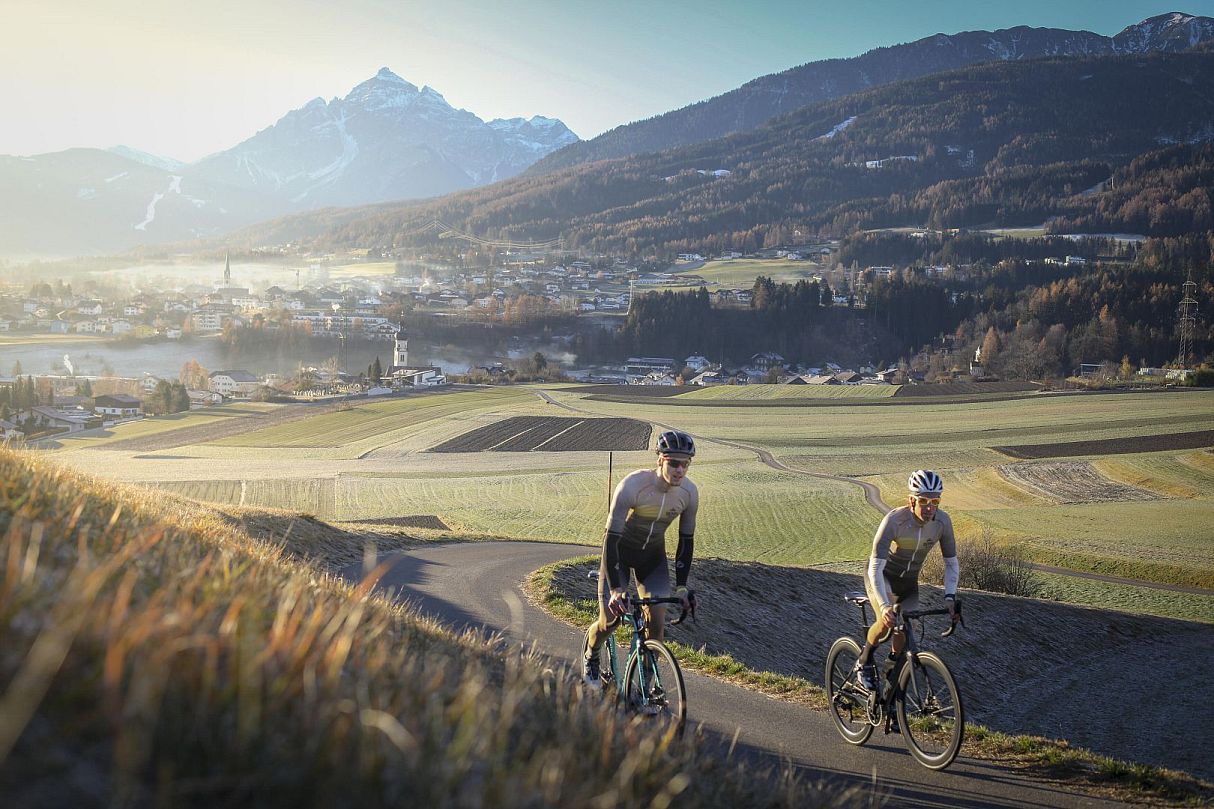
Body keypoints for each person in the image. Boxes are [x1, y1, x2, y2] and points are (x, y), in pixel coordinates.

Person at [582, 429, 699, 686]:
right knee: (609, 622)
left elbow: (685, 542)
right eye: (674, 463)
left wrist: (681, 587)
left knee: (656, 628)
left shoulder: (689, 494)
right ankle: (591, 654)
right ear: (660, 460)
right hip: (619, 557)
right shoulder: (633, 485)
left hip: (652, 560)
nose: (680, 470)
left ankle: (645, 685)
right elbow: (610, 539)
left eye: (685, 464)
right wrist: (615, 589)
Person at [854, 469, 960, 691]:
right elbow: (875, 566)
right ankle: (863, 662)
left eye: (935, 501)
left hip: (909, 583)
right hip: (883, 577)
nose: (930, 507)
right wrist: (884, 606)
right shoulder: (894, 521)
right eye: (923, 501)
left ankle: (891, 677)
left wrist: (950, 597)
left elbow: (951, 562)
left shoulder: (942, 522)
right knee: (887, 623)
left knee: (905, 631)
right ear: (911, 500)